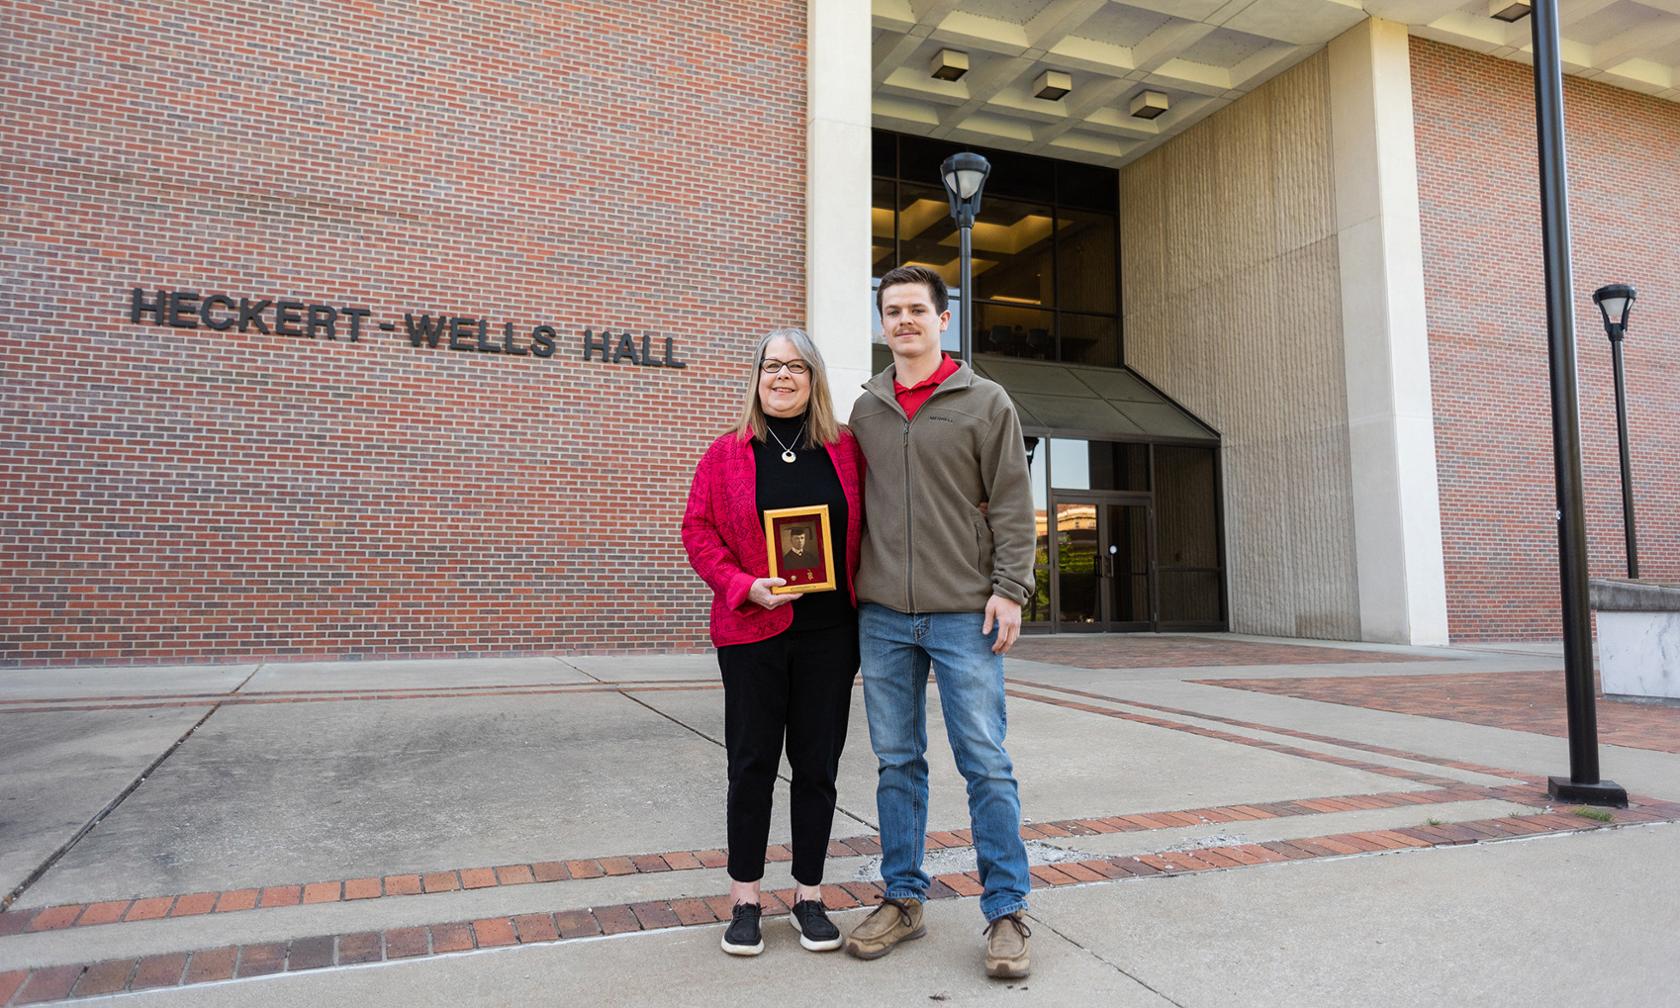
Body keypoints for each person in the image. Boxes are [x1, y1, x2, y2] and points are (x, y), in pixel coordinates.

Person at [843, 265, 1036, 979]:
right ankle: (902, 898)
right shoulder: (865, 409)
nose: (903, 322)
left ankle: (1007, 910)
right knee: (897, 762)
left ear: (942, 320)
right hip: (885, 615)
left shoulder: (985, 402)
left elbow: (1014, 502)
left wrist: (1011, 588)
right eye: (891, 311)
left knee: (985, 761)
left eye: (916, 310)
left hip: (964, 614)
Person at [681, 327, 864, 957]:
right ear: (755, 378)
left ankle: (809, 894)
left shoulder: (845, 451)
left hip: (830, 636)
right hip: (752, 633)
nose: (781, 377)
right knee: (752, 764)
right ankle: (745, 899)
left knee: (818, 767)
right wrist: (741, 584)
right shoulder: (725, 454)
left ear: (813, 379)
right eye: (770, 366)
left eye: (794, 367)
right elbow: (697, 531)